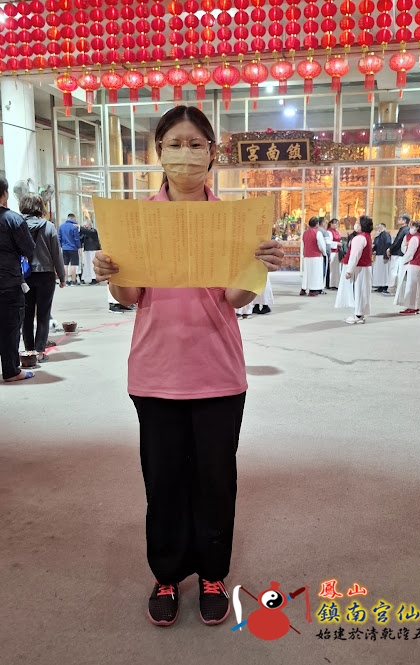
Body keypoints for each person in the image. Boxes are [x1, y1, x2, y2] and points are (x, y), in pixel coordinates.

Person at [92, 106, 284, 627]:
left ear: (212, 153)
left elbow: (234, 298)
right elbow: (129, 296)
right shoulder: (137, 219)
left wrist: (257, 268)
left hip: (217, 372)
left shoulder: (233, 221)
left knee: (216, 481)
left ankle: (212, 573)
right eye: (174, 144)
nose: (185, 154)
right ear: (159, 152)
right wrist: (111, 270)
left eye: (196, 144)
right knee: (164, 481)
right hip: (155, 374)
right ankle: (167, 574)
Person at [20, 193, 65, 362]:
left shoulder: (17, 225)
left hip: (24, 275)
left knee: (26, 314)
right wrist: (62, 276)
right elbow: (56, 253)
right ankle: (40, 351)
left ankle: (29, 350)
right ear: (40, 207)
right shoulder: (48, 226)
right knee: (43, 314)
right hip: (46, 275)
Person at [0, 176, 36, 381]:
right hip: (8, 282)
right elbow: (28, 248)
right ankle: (11, 370)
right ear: (5, 194)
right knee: (10, 328)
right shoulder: (13, 219)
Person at [335, 215, 373, 325]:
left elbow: (355, 255)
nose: (355, 224)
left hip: (358, 268)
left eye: (357, 223)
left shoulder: (359, 238)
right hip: (363, 268)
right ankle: (360, 314)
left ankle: (358, 315)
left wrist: (349, 270)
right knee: (362, 291)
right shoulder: (366, 236)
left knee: (358, 291)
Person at [394, 221, 420, 315]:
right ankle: (416, 306)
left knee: (411, 286)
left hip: (413, 264)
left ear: (416, 228)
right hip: (419, 264)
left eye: (412, 227)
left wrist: (404, 261)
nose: (410, 229)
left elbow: (410, 253)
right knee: (417, 286)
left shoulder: (415, 238)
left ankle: (411, 306)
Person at [300, 217, 326, 297]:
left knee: (306, 273)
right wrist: (324, 253)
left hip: (307, 255)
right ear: (317, 224)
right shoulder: (318, 233)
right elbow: (321, 245)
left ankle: (303, 289)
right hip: (315, 256)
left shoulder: (305, 233)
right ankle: (313, 290)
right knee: (315, 273)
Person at [385, 214, 410, 295]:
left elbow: (397, 242)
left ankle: (392, 289)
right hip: (401, 253)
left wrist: (390, 249)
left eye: (400, 219)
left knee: (394, 272)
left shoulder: (404, 230)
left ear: (404, 221)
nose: (398, 220)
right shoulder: (406, 230)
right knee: (398, 272)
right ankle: (396, 289)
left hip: (398, 253)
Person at [58, 213, 81, 286]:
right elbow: (76, 238)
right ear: (73, 218)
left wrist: (60, 246)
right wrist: (79, 247)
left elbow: (59, 238)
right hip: (73, 248)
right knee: (73, 264)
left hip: (64, 248)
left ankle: (66, 280)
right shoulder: (74, 227)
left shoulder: (61, 227)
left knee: (65, 264)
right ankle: (73, 281)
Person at [372, 223, 392, 293]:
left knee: (384, 272)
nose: (377, 230)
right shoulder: (378, 236)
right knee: (379, 272)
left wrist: (386, 256)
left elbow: (388, 244)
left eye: (378, 228)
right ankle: (380, 285)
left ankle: (385, 286)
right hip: (378, 255)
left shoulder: (386, 235)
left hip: (383, 255)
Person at [80, 220, 101, 285]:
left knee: (93, 265)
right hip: (87, 250)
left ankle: (95, 278)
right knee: (87, 265)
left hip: (93, 250)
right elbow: (81, 239)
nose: (84, 227)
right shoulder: (85, 233)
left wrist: (80, 228)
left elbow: (89, 232)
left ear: (89, 225)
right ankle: (89, 277)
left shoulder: (93, 231)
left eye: (85, 226)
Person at [327, 219, 342, 290]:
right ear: (331, 224)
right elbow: (329, 242)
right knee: (333, 269)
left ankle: (337, 284)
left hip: (338, 252)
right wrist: (337, 244)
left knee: (337, 269)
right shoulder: (329, 232)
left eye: (337, 224)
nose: (337, 225)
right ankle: (332, 284)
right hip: (332, 252)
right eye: (335, 223)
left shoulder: (337, 232)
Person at [318, 217, 330, 292]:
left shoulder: (313, 231)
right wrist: (328, 254)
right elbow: (327, 244)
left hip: (314, 254)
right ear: (322, 223)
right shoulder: (324, 232)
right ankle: (320, 287)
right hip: (323, 254)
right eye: (325, 222)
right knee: (322, 271)